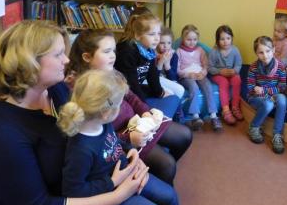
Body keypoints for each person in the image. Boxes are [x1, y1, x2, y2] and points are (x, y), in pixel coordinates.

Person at [0, 20, 147, 205]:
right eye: (59, 54)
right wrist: (118, 195)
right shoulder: (0, 133)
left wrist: (126, 153)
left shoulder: (55, 89)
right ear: (29, 62)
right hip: (62, 204)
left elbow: (91, 133)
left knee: (165, 194)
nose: (67, 60)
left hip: (88, 184)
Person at [63, 29, 192, 186]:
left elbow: (130, 96)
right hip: (120, 137)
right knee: (167, 165)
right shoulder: (82, 89)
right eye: (107, 51)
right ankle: (156, 184)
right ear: (87, 57)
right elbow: (96, 135)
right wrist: (129, 139)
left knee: (184, 136)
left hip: (136, 122)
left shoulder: (110, 70)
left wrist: (146, 112)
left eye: (113, 51)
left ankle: (154, 176)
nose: (113, 56)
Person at [57, 69, 181, 205]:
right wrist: (113, 181)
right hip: (108, 194)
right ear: (106, 113)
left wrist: (130, 149)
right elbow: (73, 191)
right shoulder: (80, 150)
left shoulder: (103, 124)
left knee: (170, 196)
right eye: (120, 104)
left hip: (126, 172)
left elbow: (114, 141)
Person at [114, 12, 181, 119]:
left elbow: (152, 74)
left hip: (136, 87)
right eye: (151, 34)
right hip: (124, 92)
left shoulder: (148, 49)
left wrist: (160, 93)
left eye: (158, 34)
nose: (156, 38)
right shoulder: (127, 51)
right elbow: (132, 85)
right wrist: (144, 107)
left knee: (172, 94)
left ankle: (175, 120)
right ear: (137, 35)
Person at [246, 36, 287, 154]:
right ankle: (254, 127)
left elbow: (282, 87)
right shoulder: (253, 67)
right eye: (261, 52)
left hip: (271, 94)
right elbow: (250, 88)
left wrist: (264, 90)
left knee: (282, 99)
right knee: (269, 104)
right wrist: (257, 90)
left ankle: (277, 134)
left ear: (273, 50)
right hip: (256, 98)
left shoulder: (280, 66)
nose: (265, 55)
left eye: (268, 51)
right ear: (256, 53)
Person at [176, 24, 221, 131]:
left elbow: (205, 64)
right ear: (183, 39)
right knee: (194, 88)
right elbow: (177, 70)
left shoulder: (200, 50)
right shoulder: (179, 51)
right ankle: (195, 117)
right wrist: (188, 74)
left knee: (208, 87)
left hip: (199, 74)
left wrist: (204, 72)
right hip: (186, 77)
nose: (192, 42)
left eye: (194, 39)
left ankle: (213, 115)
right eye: (188, 39)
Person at [207, 25, 244, 125]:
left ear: (232, 38)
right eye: (222, 39)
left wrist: (234, 71)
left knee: (237, 79)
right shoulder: (214, 51)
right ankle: (226, 110)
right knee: (224, 82)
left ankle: (235, 107)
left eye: (228, 38)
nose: (225, 41)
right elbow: (209, 67)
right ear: (217, 40)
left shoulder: (235, 50)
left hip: (231, 73)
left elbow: (238, 64)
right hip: (217, 74)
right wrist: (220, 72)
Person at [156, 27, 186, 99]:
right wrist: (160, 62)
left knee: (177, 91)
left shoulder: (174, 55)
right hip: (157, 82)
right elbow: (153, 77)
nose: (165, 46)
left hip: (169, 81)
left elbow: (173, 78)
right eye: (162, 43)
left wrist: (167, 65)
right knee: (170, 93)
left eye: (169, 43)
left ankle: (178, 109)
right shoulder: (153, 54)